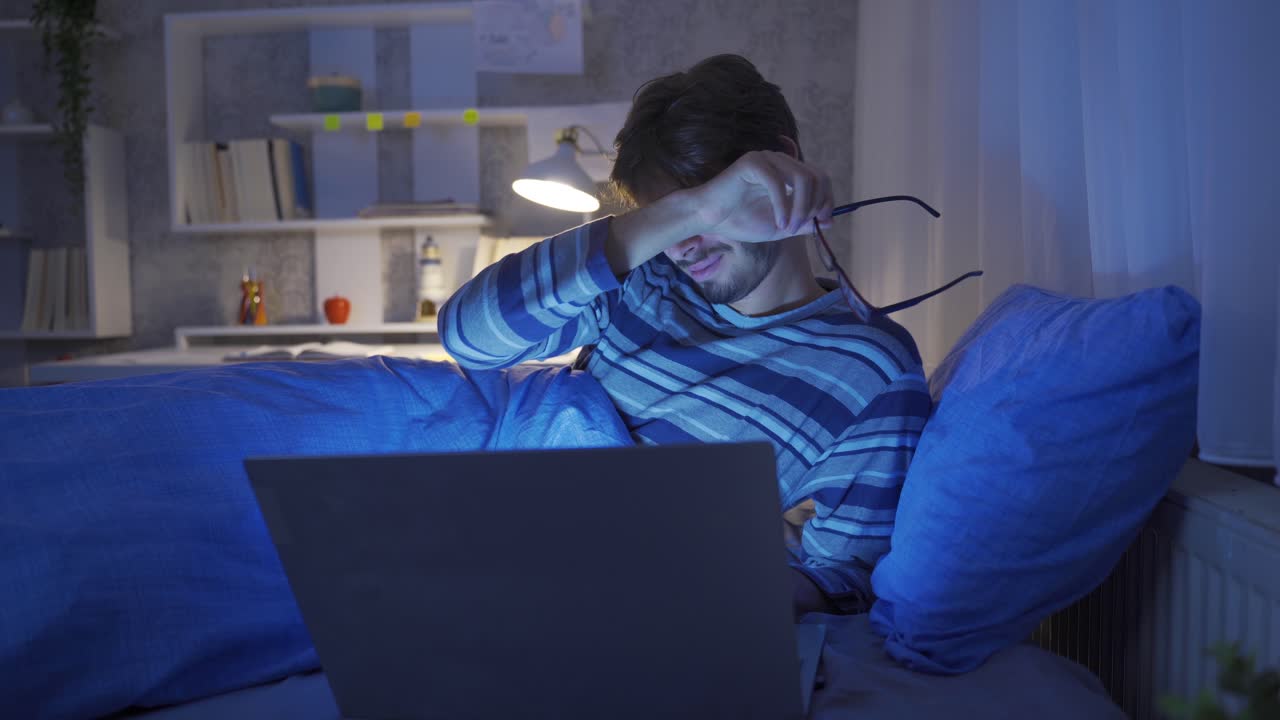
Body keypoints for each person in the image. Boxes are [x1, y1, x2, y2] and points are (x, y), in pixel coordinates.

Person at [440, 54, 930, 617]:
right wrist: (691, 208)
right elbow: (467, 337)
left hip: (654, 611)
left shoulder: (869, 369)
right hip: (514, 566)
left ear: (782, 164)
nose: (683, 245)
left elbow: (845, 575)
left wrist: (725, 589)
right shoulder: (640, 281)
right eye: (668, 217)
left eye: (707, 206)